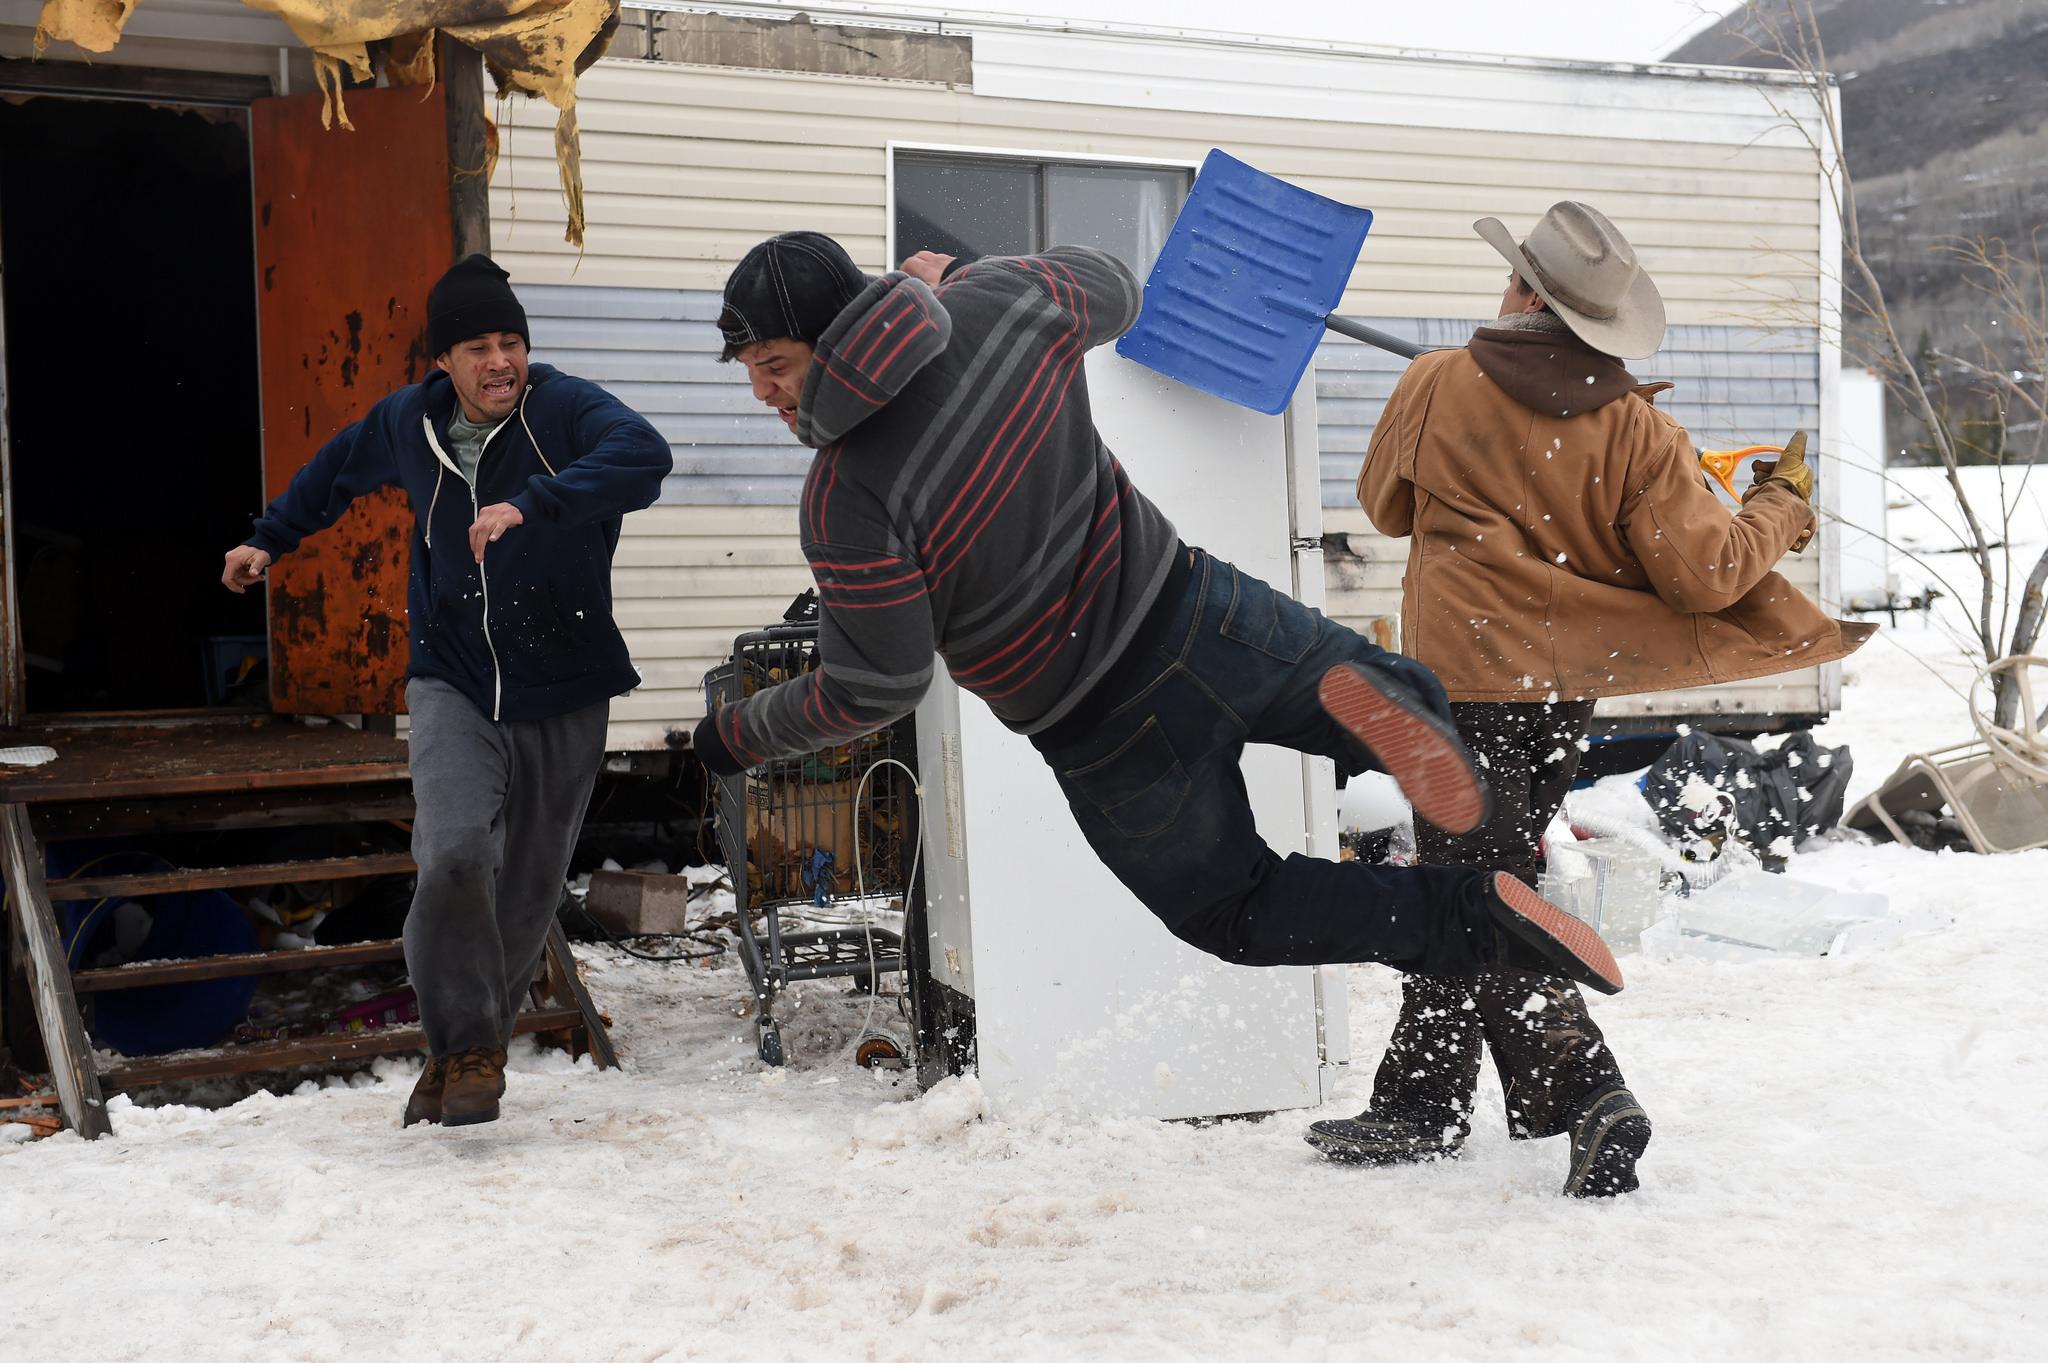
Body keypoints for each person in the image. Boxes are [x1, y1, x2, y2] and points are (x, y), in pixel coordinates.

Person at [690, 230, 1625, 1017]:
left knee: (1235, 908)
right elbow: (1115, 289)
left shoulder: (845, 497)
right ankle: (1399, 719)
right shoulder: (1003, 307)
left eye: (776, 364)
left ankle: (1465, 916)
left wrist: (740, 733)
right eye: (752, 372)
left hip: (1103, 733)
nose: (765, 392)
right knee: (1362, 691)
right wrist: (964, 279)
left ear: (842, 335)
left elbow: (875, 686)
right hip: (1194, 611)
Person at [1306, 202, 1874, 1194]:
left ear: (1523, 289)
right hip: (1554, 692)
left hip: (1455, 688)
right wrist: (1777, 499)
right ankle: (1420, 1101)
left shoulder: (1437, 382)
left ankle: (1585, 1091)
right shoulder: (1636, 429)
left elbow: (1381, 505)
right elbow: (1709, 576)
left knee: (1470, 889)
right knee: (1475, 878)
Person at [221, 255, 670, 1128]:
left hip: (566, 683)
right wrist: (269, 538)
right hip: (452, 676)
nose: (501, 361)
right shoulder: (408, 422)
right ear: (443, 362)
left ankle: (467, 1050)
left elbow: (642, 455)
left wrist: (535, 503)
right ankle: (466, 1043)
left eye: (513, 342)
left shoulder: (565, 409)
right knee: (456, 851)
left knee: (528, 889)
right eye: (478, 346)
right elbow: (334, 473)